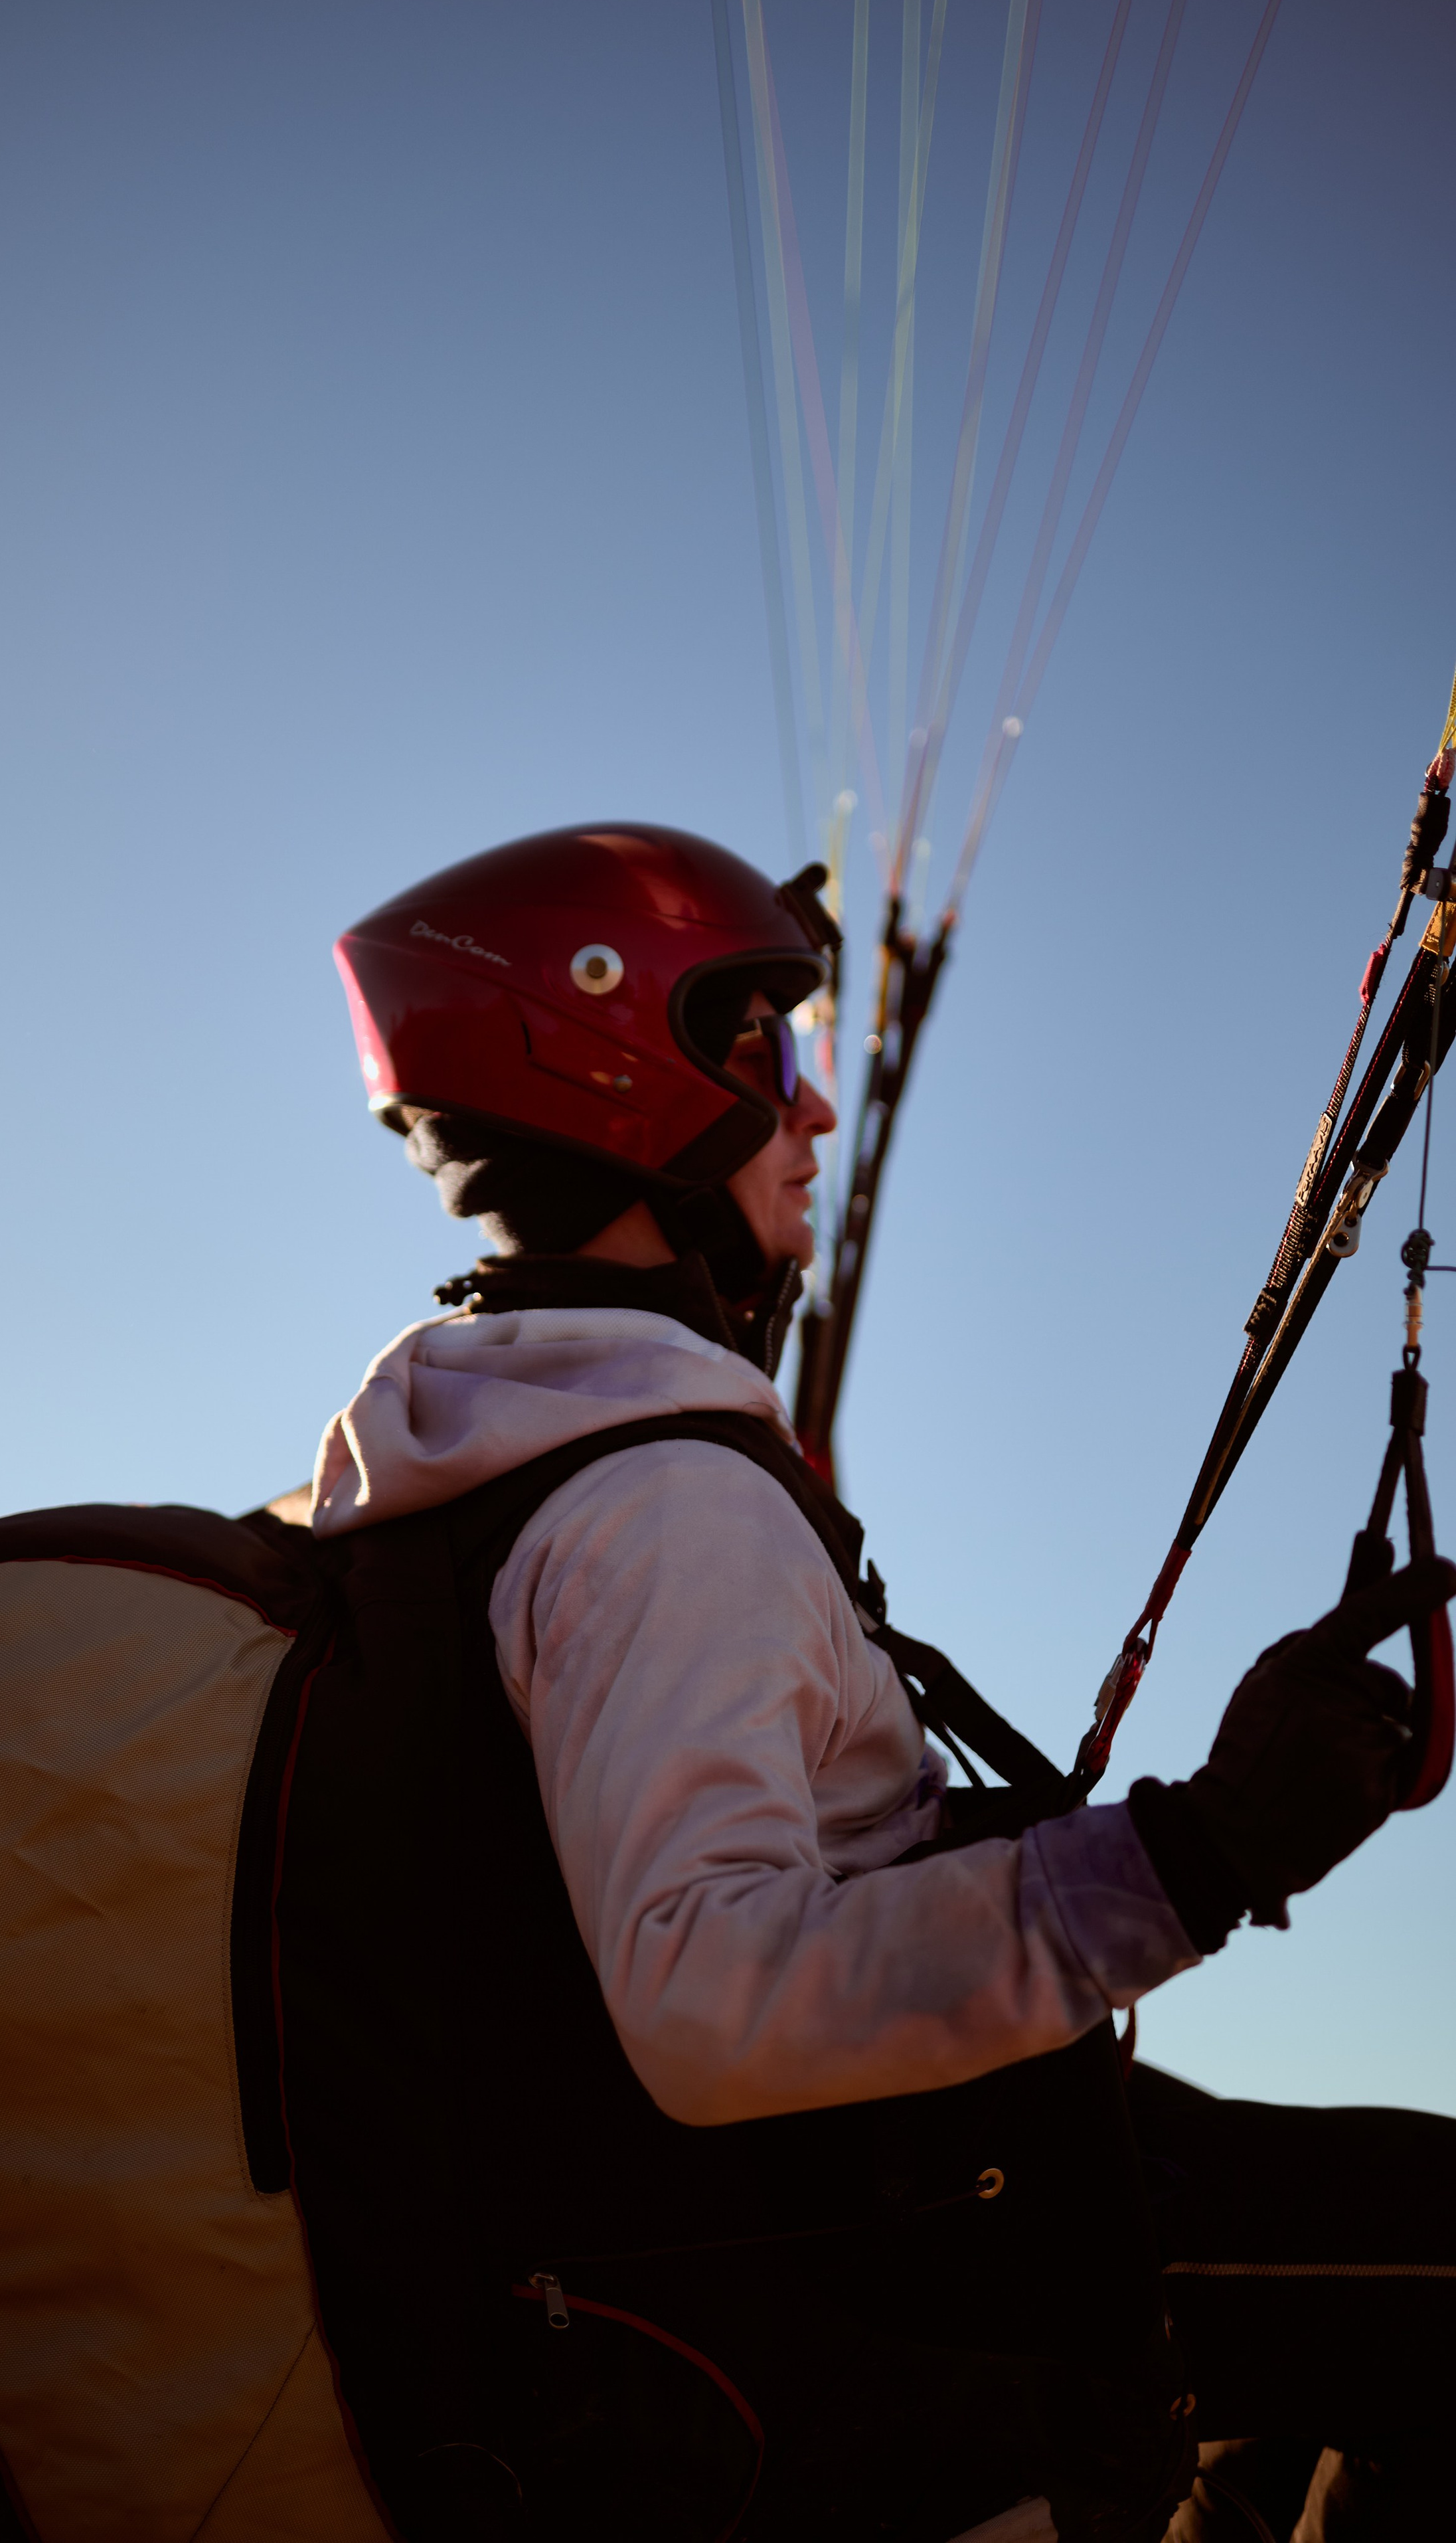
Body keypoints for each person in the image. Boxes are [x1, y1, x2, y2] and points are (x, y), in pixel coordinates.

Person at [313, 823, 1455, 2542]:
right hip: (881, 2249)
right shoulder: (658, 1501)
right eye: (772, 1054)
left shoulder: (527, 1467)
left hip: (883, 2197)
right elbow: (707, 1992)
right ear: (633, 1079)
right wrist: (1202, 1853)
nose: (818, 1112)